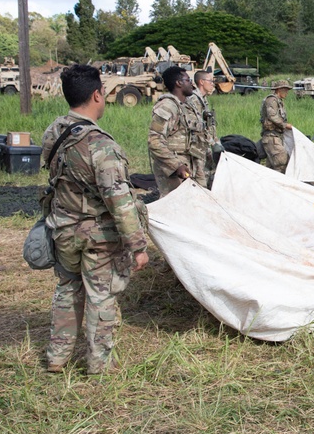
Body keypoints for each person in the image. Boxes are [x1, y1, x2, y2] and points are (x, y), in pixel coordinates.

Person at [40, 63, 150, 374]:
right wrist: (137, 246)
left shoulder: (54, 131)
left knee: (67, 289)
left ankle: (56, 356)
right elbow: (119, 201)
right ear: (97, 95)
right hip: (96, 235)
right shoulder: (101, 145)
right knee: (101, 297)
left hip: (62, 229)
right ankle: (100, 363)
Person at [148, 67, 198, 197]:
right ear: (178, 83)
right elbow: (154, 141)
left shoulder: (186, 106)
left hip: (186, 165)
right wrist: (176, 166)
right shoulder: (167, 106)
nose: (191, 84)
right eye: (188, 80)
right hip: (172, 170)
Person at [187, 69, 220, 187]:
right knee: (200, 175)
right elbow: (197, 126)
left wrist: (215, 141)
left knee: (210, 171)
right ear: (201, 82)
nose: (212, 84)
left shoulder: (203, 100)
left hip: (205, 143)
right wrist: (212, 141)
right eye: (210, 81)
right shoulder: (194, 100)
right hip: (197, 145)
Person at [261, 80, 294, 172]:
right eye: (286, 90)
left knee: (272, 167)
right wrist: (285, 125)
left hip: (276, 137)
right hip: (271, 137)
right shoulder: (272, 100)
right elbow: (272, 116)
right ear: (279, 89)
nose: (287, 92)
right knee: (281, 162)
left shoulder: (279, 101)